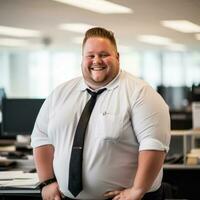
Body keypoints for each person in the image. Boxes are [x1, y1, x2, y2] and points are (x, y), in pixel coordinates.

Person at [31, 27, 171, 200]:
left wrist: (137, 190)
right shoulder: (59, 94)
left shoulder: (140, 93)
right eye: (90, 55)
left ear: (117, 57)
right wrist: (47, 182)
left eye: (104, 54)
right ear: (83, 59)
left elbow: (153, 145)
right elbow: (41, 138)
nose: (97, 60)